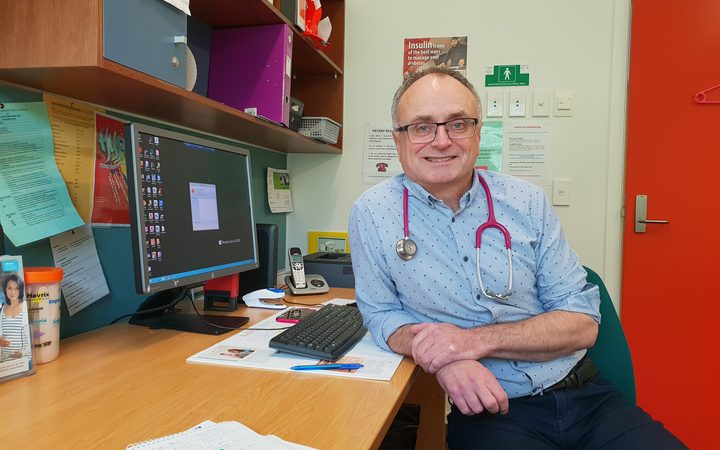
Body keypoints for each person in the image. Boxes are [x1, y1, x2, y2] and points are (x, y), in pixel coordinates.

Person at [348, 67, 686, 449]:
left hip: (585, 396)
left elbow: (582, 324)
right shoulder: (373, 213)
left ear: (477, 133)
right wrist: (446, 359)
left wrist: (470, 343)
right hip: (494, 412)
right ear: (399, 140)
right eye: (422, 127)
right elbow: (380, 312)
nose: (441, 140)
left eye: (458, 124)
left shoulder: (526, 202)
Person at [0, 274, 30, 362]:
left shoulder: (26, 307)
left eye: (16, 288)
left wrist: (23, 353)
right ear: (5, 290)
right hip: (5, 364)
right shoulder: (1, 309)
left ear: (20, 290)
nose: (13, 292)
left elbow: (34, 337)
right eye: (9, 288)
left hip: (24, 362)